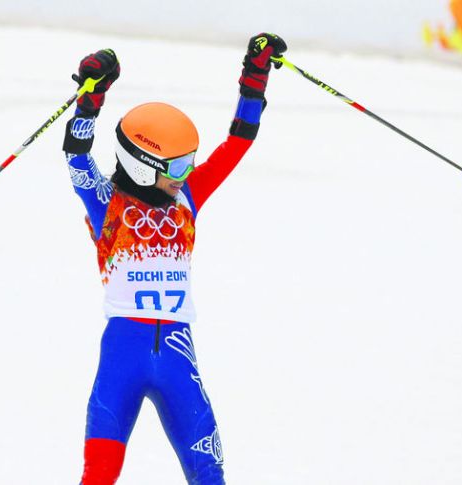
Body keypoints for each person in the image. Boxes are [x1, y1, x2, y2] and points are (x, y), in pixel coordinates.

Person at [63, 33, 287, 485]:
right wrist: (91, 98)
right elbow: (76, 155)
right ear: (145, 165)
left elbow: (237, 143)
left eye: (189, 163)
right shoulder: (106, 204)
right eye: (179, 166)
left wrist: (255, 77)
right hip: (122, 357)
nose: (187, 173)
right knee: (98, 477)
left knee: (209, 475)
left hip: (178, 358)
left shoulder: (187, 196)